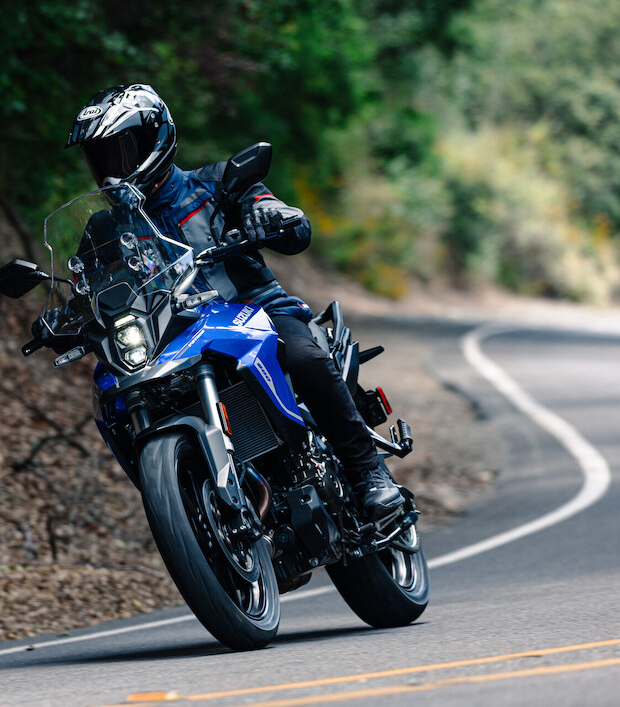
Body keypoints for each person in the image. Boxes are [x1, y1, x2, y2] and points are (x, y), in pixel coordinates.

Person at [58, 83, 402, 519]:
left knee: (301, 354)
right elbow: (89, 287)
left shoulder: (217, 184)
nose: (111, 170)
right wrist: (62, 314)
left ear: (156, 139)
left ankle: (367, 471)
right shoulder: (105, 231)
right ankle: (197, 511)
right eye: (100, 157)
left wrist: (275, 215)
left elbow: (289, 223)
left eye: (120, 152)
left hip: (257, 310)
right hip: (170, 337)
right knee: (116, 396)